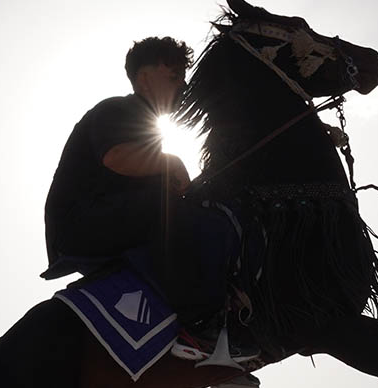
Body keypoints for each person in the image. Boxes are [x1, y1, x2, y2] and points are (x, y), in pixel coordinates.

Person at [43, 37, 257, 362]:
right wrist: (172, 162)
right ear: (144, 79)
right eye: (174, 76)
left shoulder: (147, 125)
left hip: (110, 219)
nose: (183, 85)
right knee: (178, 213)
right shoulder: (118, 108)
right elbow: (117, 157)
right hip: (80, 224)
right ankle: (200, 327)